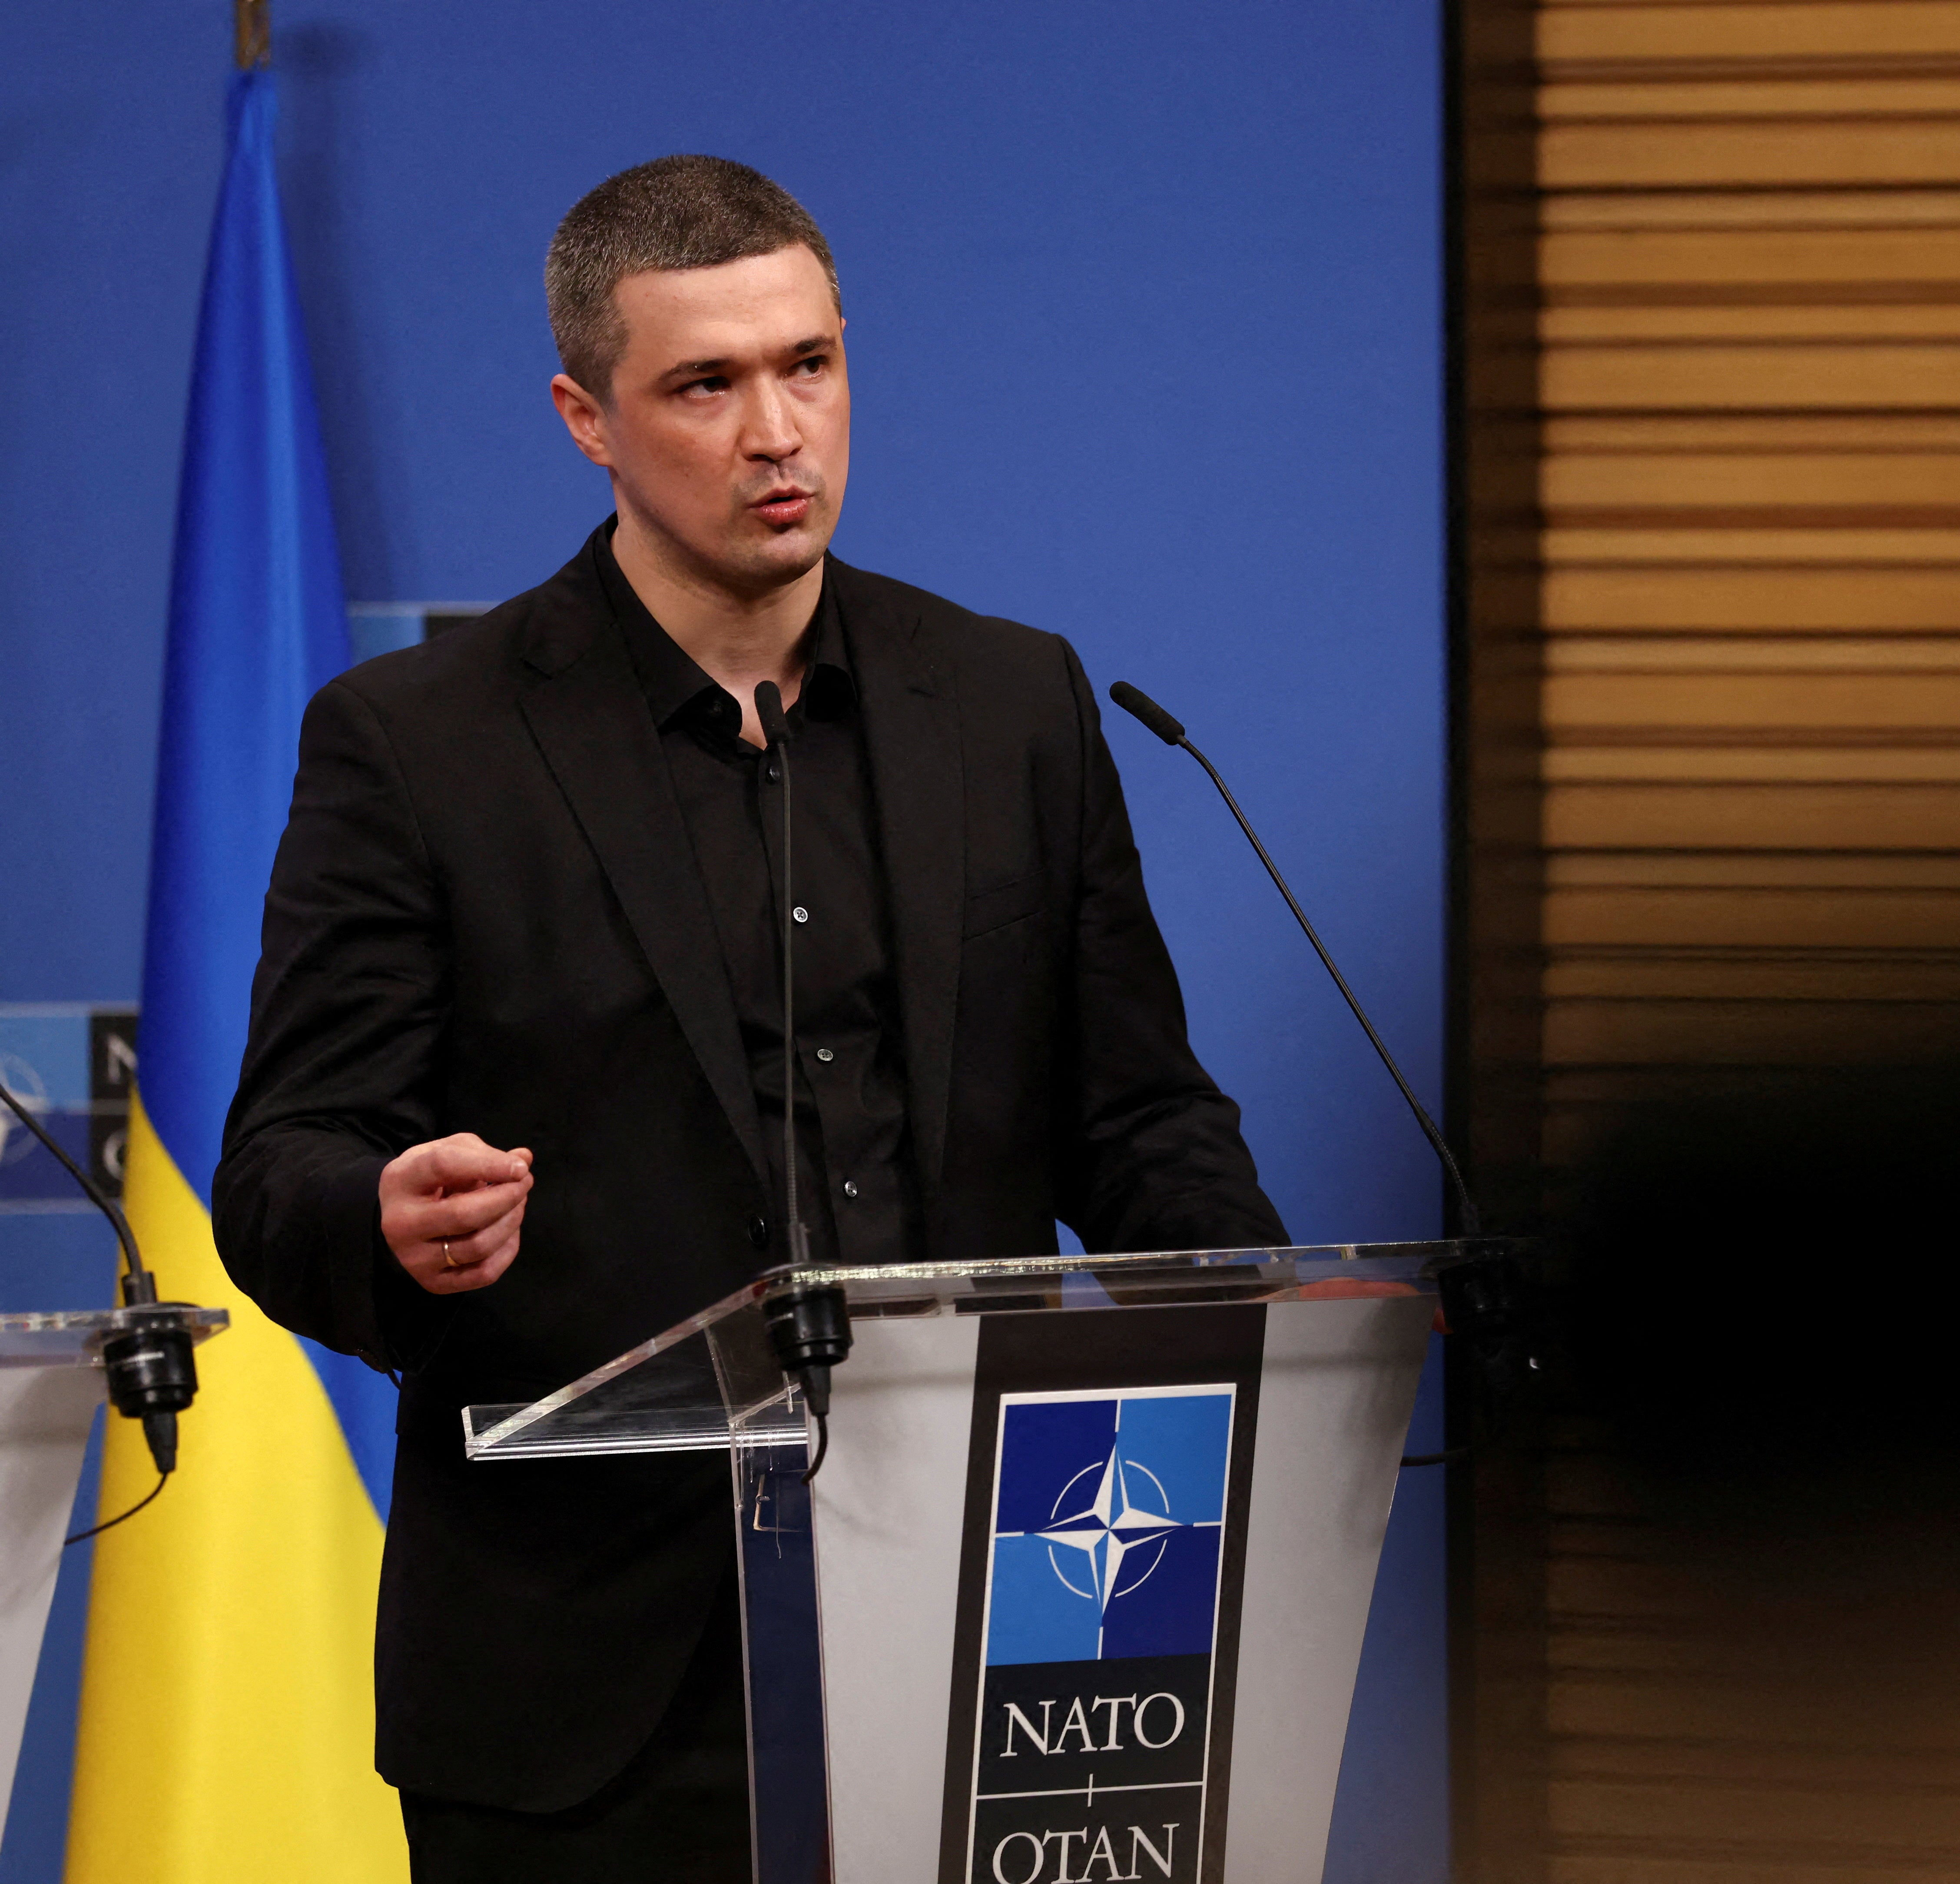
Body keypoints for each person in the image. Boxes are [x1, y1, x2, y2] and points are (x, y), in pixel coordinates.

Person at [216, 154, 1287, 1881]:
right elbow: (279, 1170)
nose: (777, 431)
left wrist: (1266, 1329)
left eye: (809, 364)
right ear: (586, 414)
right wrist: (382, 1220)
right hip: (592, 1696)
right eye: (705, 385)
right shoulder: (421, 744)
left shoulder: (1012, 703)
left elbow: (1138, 1115)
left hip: (993, 1639)